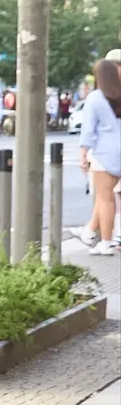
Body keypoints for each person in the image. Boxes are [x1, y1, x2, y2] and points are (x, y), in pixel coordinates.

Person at [70, 58, 121, 256]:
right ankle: (91, 232)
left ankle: (106, 242)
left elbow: (89, 130)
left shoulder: (96, 98)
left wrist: (83, 154)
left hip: (104, 153)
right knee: (109, 198)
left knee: (104, 198)